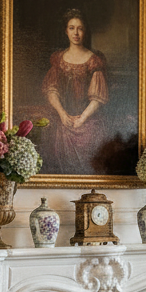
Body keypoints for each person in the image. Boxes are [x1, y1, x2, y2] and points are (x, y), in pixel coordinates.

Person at [39, 9, 111, 174]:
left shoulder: (94, 61)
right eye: (72, 28)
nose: (76, 33)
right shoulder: (58, 59)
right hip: (64, 118)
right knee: (50, 132)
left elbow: (97, 97)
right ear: (66, 30)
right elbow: (52, 89)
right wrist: (63, 114)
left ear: (85, 31)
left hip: (88, 118)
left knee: (93, 135)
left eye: (80, 28)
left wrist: (83, 118)